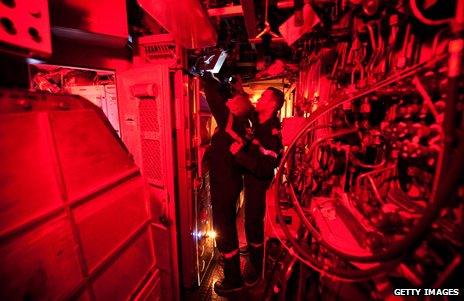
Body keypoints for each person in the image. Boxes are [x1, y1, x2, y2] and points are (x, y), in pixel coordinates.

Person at [201, 74, 254, 296]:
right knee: (227, 228)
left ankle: (233, 280)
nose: (227, 103)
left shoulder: (231, 121)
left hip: (224, 184)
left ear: (235, 108)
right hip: (231, 182)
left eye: (230, 102)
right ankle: (231, 267)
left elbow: (213, 99)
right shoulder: (243, 125)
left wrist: (206, 76)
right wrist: (236, 90)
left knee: (224, 231)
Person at [229, 87, 285, 287]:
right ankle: (254, 252)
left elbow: (266, 168)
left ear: (272, 105)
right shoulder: (257, 119)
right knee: (249, 219)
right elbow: (246, 109)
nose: (259, 99)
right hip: (250, 178)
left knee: (253, 222)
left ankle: (256, 265)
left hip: (259, 181)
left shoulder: (272, 133)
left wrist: (239, 155)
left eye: (263, 97)